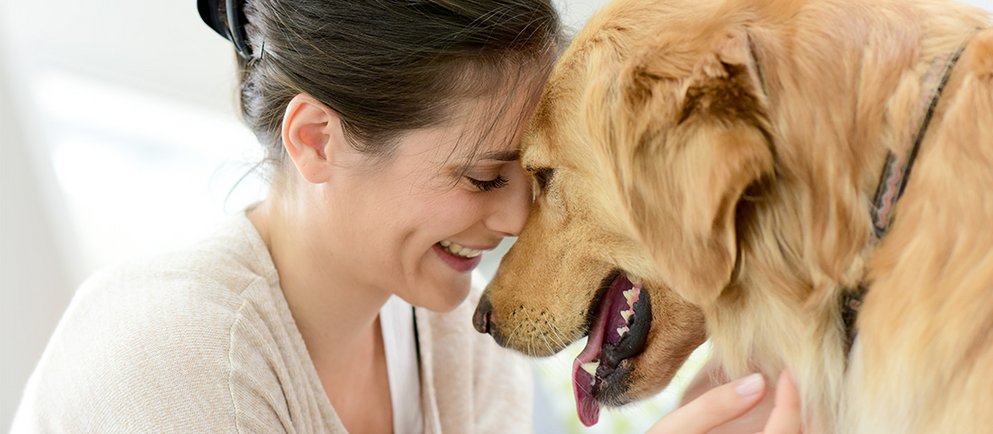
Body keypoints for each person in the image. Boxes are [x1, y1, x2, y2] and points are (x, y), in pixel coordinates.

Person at [12, 0, 802, 432]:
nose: (516, 218)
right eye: (483, 176)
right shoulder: (168, 364)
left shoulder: (454, 342)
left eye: (533, 175)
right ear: (317, 140)